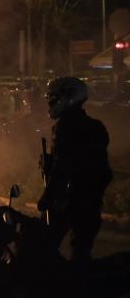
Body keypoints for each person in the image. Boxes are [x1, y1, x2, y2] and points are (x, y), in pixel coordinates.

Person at [39, 77, 112, 269]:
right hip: (90, 200)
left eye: (53, 98)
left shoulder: (66, 127)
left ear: (68, 97)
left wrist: (47, 197)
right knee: (81, 254)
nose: (50, 103)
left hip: (69, 199)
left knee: (43, 249)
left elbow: (63, 166)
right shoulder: (95, 127)